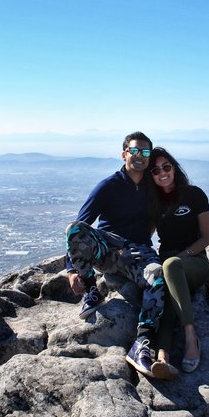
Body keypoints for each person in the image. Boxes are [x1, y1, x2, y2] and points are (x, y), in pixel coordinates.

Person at [65, 131, 166, 379]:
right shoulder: (108, 186)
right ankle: (91, 290)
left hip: (138, 252)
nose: (140, 156)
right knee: (74, 229)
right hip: (108, 249)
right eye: (135, 151)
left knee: (158, 277)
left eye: (145, 152)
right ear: (124, 154)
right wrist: (71, 270)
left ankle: (142, 342)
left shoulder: (153, 188)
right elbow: (81, 226)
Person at [148, 147, 209, 377]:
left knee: (170, 266)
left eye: (167, 167)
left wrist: (183, 256)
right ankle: (162, 356)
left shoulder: (194, 195)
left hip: (194, 262)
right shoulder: (155, 203)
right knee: (166, 302)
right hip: (169, 265)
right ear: (151, 176)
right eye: (156, 170)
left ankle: (190, 337)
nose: (162, 173)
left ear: (174, 168)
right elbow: (144, 236)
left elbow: (207, 237)